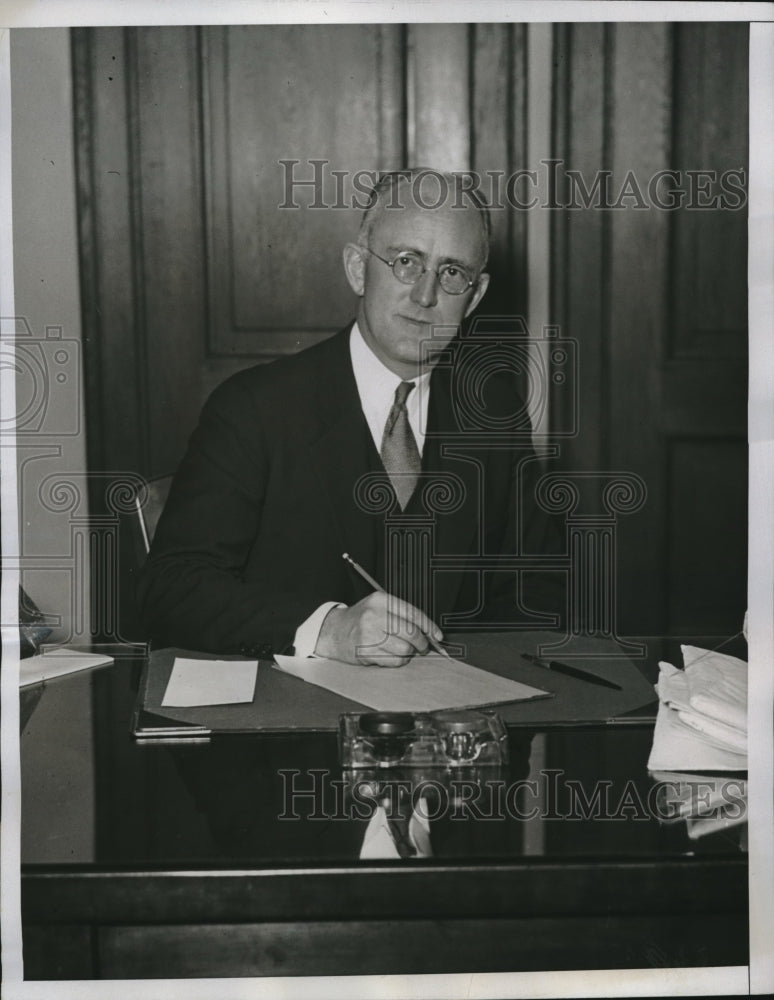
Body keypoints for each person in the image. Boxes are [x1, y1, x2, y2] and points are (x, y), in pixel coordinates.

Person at [138, 169, 561, 664]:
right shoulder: (254, 408)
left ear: (476, 295)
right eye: (406, 261)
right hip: (295, 726)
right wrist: (327, 630)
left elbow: (539, 588)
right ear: (358, 268)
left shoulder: (494, 410)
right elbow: (169, 590)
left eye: (451, 273)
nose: (426, 296)